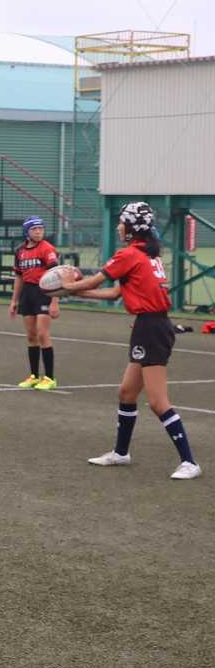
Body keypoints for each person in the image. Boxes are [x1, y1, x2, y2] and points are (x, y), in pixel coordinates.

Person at [61, 201, 200, 480]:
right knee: (126, 393)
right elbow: (115, 294)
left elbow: (95, 281)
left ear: (132, 227)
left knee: (158, 401)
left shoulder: (129, 254)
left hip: (151, 328)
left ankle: (189, 462)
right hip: (148, 325)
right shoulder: (146, 254)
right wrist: (74, 293)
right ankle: (121, 453)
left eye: (122, 222)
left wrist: (67, 286)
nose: (118, 227)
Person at [8, 216, 60, 391]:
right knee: (31, 336)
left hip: (44, 292)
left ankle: (50, 378)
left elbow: (57, 274)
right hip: (27, 294)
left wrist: (55, 301)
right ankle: (34, 376)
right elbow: (19, 277)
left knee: (43, 334)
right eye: (34, 229)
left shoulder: (47, 249)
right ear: (26, 232)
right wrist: (14, 301)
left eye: (41, 229)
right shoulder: (20, 251)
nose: (38, 232)